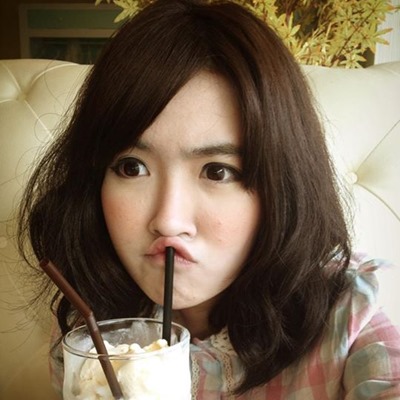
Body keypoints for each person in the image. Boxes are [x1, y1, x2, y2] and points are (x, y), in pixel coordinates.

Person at [17, 0, 400, 398]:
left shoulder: (348, 318)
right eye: (132, 167)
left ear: (280, 185)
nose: (168, 220)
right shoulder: (90, 331)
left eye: (217, 171)